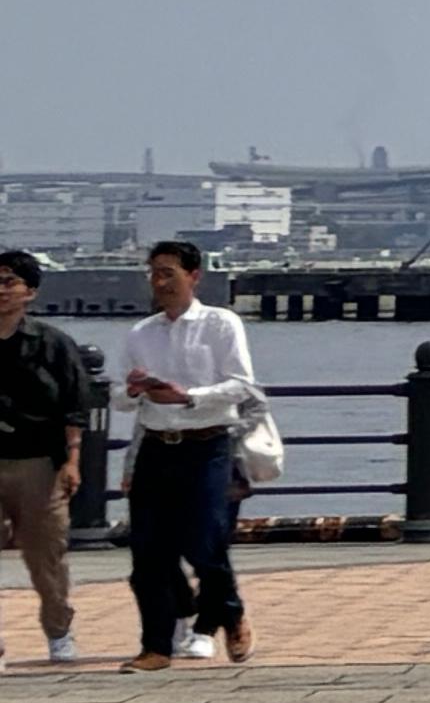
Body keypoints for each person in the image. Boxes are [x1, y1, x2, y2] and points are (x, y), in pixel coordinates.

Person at [112, 239, 255, 668]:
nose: (160, 283)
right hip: (157, 446)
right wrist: (134, 390)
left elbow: (241, 385)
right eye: (154, 274)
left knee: (204, 541)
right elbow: (117, 396)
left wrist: (189, 396)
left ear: (194, 276)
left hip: (207, 445)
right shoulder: (141, 333)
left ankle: (230, 611)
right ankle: (156, 646)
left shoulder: (220, 324)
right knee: (147, 551)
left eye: (168, 273)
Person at [0, 254, 92, 664]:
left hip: (38, 461)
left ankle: (58, 630)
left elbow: (74, 405)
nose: (1, 290)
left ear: (30, 292)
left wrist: (72, 460)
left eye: (9, 282)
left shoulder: (52, 343)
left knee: (45, 556)